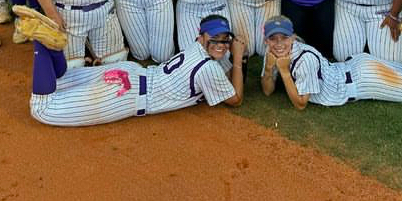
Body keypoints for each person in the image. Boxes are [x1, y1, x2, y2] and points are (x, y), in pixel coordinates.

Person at [25, 14, 244, 127]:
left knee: (62, 78)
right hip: (125, 95)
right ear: (201, 37)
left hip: (130, 72)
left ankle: (51, 44)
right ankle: (41, 43)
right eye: (215, 38)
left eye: (226, 39)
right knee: (43, 109)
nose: (221, 43)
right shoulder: (209, 68)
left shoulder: (196, 48)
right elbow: (234, 99)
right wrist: (237, 61)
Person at [260, 15, 402, 109]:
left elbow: (301, 104)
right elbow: (268, 92)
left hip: (364, 80)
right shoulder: (272, 53)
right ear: (266, 40)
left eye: (283, 37)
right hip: (356, 68)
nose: (278, 44)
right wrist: (269, 68)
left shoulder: (304, 59)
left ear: (292, 38)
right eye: (273, 38)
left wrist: (283, 72)